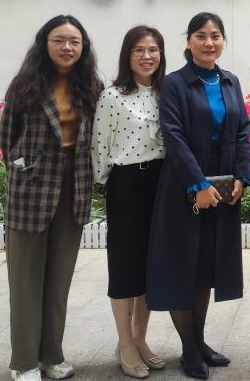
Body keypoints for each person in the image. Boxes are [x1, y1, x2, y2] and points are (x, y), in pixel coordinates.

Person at [145, 13, 250, 379]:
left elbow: (242, 130)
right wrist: (198, 185)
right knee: (182, 268)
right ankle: (189, 349)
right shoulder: (174, 83)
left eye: (215, 36)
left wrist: (242, 177)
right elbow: (173, 135)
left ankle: (200, 341)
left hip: (223, 187)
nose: (209, 43)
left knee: (206, 268)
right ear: (188, 41)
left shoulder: (229, 80)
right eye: (201, 36)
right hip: (183, 188)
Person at [0, 15, 103, 381]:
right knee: (25, 282)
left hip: (74, 188)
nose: (67, 47)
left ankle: (51, 356)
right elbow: (7, 139)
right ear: (45, 44)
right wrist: (23, 169)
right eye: (59, 40)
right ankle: (24, 362)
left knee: (58, 282)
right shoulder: (24, 85)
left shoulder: (91, 87)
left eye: (75, 41)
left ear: (83, 48)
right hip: (31, 190)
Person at [91, 26, 168, 379]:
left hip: (161, 182)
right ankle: (124, 343)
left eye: (153, 49)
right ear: (127, 55)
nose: (147, 56)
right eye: (139, 50)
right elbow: (99, 145)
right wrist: (105, 185)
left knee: (151, 267)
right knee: (125, 266)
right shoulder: (112, 96)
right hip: (126, 184)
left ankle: (140, 339)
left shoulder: (167, 93)